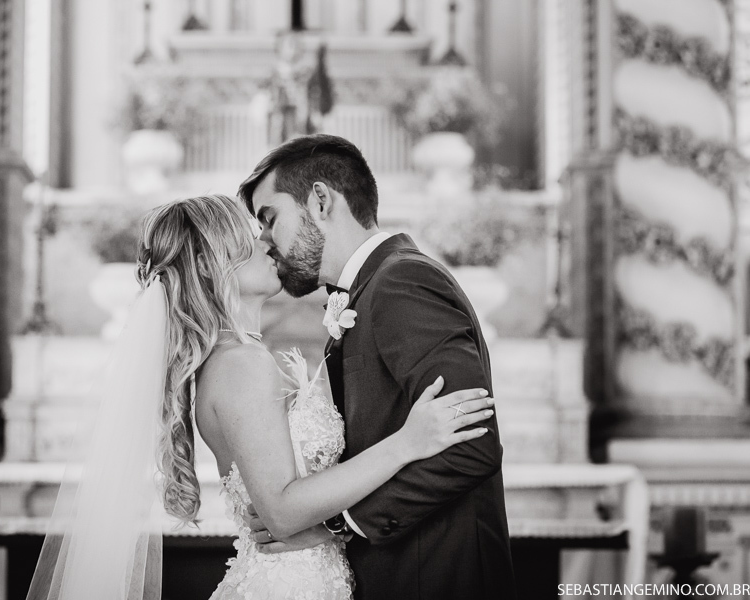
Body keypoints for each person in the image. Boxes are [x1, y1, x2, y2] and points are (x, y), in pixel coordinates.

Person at [25, 193, 495, 600]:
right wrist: (408, 442)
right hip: (289, 584)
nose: (267, 243)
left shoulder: (240, 356)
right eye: (248, 239)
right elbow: (283, 510)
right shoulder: (239, 364)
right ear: (213, 264)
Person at [237, 134, 517, 599]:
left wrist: (338, 525)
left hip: (438, 578)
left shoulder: (403, 282)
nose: (265, 243)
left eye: (270, 219)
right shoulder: (368, 290)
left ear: (321, 200)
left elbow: (472, 445)